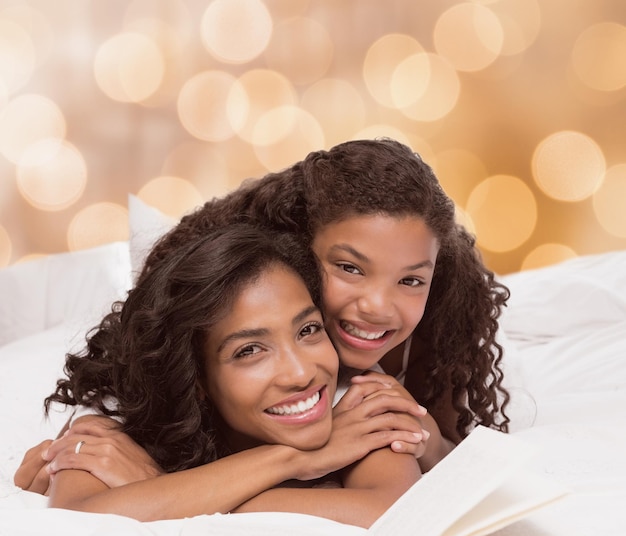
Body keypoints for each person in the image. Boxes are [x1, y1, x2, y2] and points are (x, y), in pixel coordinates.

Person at [16, 137, 509, 491]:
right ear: (294, 251)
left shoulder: (411, 351)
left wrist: (426, 441)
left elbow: (428, 464)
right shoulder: (208, 326)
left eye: (410, 280)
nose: (378, 306)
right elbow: (90, 482)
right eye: (348, 268)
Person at [41, 224, 425, 527]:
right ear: (197, 380)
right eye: (249, 351)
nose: (301, 373)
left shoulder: (358, 398)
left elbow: (391, 513)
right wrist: (292, 460)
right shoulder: (117, 421)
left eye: (308, 330)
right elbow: (77, 519)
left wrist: (156, 490)